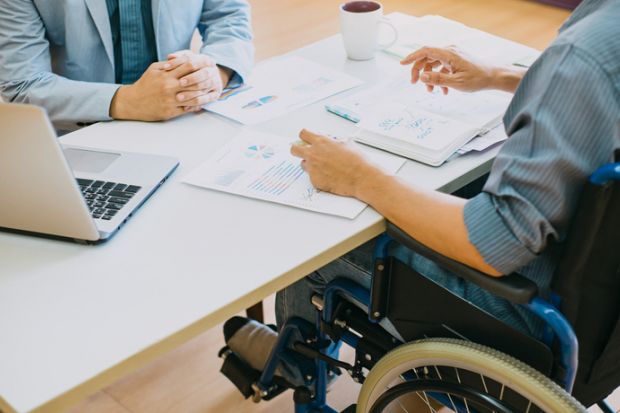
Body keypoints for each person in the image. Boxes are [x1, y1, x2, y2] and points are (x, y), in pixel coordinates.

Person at [224, 0, 620, 388]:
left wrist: (361, 177)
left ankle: (293, 364)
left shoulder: (580, 56)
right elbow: (598, 84)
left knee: (331, 232)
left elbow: (493, 243)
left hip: (527, 321)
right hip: (603, 316)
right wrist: (501, 76)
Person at [0, 0, 253, 131]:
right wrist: (129, 100)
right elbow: (22, 84)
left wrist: (214, 75)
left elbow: (228, 15)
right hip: (79, 139)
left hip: (182, 121)